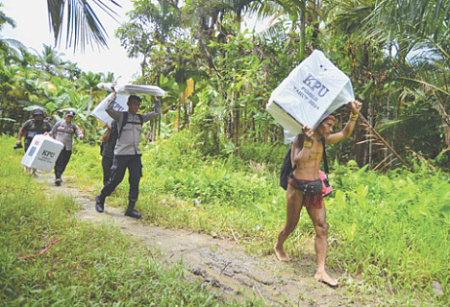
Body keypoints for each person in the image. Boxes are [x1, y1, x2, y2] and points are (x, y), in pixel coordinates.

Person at [274, 100, 362, 288]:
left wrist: (353, 114)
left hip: (314, 187)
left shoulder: (324, 140)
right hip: (297, 187)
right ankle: (279, 245)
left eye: (332, 126)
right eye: (329, 125)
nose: (331, 129)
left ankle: (320, 271)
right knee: (291, 225)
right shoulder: (299, 139)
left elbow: (346, 133)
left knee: (322, 227)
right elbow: (298, 162)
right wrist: (307, 142)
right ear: (319, 123)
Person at [95, 87, 161, 219]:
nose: (136, 107)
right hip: (121, 154)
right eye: (134, 104)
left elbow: (156, 112)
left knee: (135, 180)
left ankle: (130, 208)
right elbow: (108, 109)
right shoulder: (121, 116)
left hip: (135, 155)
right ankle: (101, 197)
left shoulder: (140, 118)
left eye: (138, 105)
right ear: (128, 104)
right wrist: (114, 94)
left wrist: (155, 99)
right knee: (115, 180)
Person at [16, 109, 53, 175]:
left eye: (40, 115)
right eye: (37, 115)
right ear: (34, 116)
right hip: (29, 141)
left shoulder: (46, 124)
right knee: (28, 155)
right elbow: (21, 130)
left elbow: (52, 131)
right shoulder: (29, 122)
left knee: (37, 156)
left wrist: (48, 133)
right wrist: (19, 140)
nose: (38, 117)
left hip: (40, 143)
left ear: (43, 116)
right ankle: (28, 171)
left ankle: (34, 171)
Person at [52, 110, 84, 186]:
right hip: (59, 146)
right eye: (68, 116)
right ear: (65, 116)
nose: (69, 118)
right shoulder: (58, 124)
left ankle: (60, 174)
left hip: (68, 147)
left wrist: (80, 136)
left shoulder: (74, 126)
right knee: (59, 161)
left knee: (64, 162)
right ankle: (58, 177)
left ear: (73, 118)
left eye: (71, 117)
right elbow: (52, 132)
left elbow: (79, 132)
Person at [101, 120, 118, 186]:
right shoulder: (111, 127)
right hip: (107, 153)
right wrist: (109, 129)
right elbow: (105, 139)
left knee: (115, 174)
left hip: (117, 154)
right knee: (106, 174)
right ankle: (106, 188)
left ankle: (111, 187)